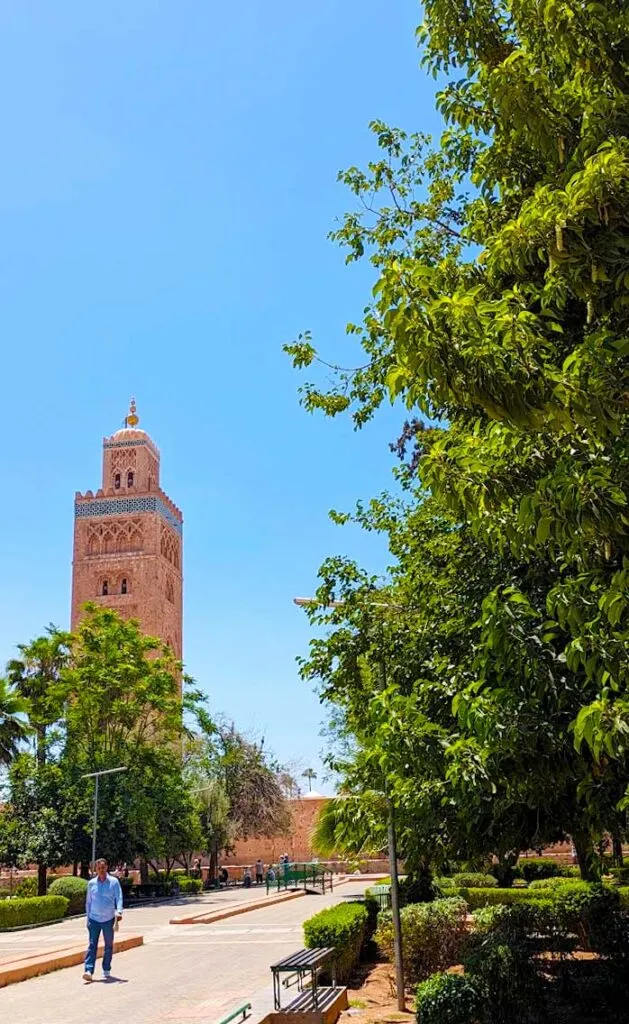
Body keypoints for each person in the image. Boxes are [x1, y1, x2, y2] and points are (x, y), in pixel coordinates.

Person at [83, 858, 123, 982]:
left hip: (108, 918)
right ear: (96, 869)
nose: (101, 870)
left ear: (107, 868)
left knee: (108, 945)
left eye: (103, 868)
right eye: (99, 868)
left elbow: (119, 897)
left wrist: (119, 911)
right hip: (94, 919)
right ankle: (88, 970)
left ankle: (106, 968)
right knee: (92, 945)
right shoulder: (91, 884)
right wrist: (88, 918)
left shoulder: (113, 882)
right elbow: (88, 902)